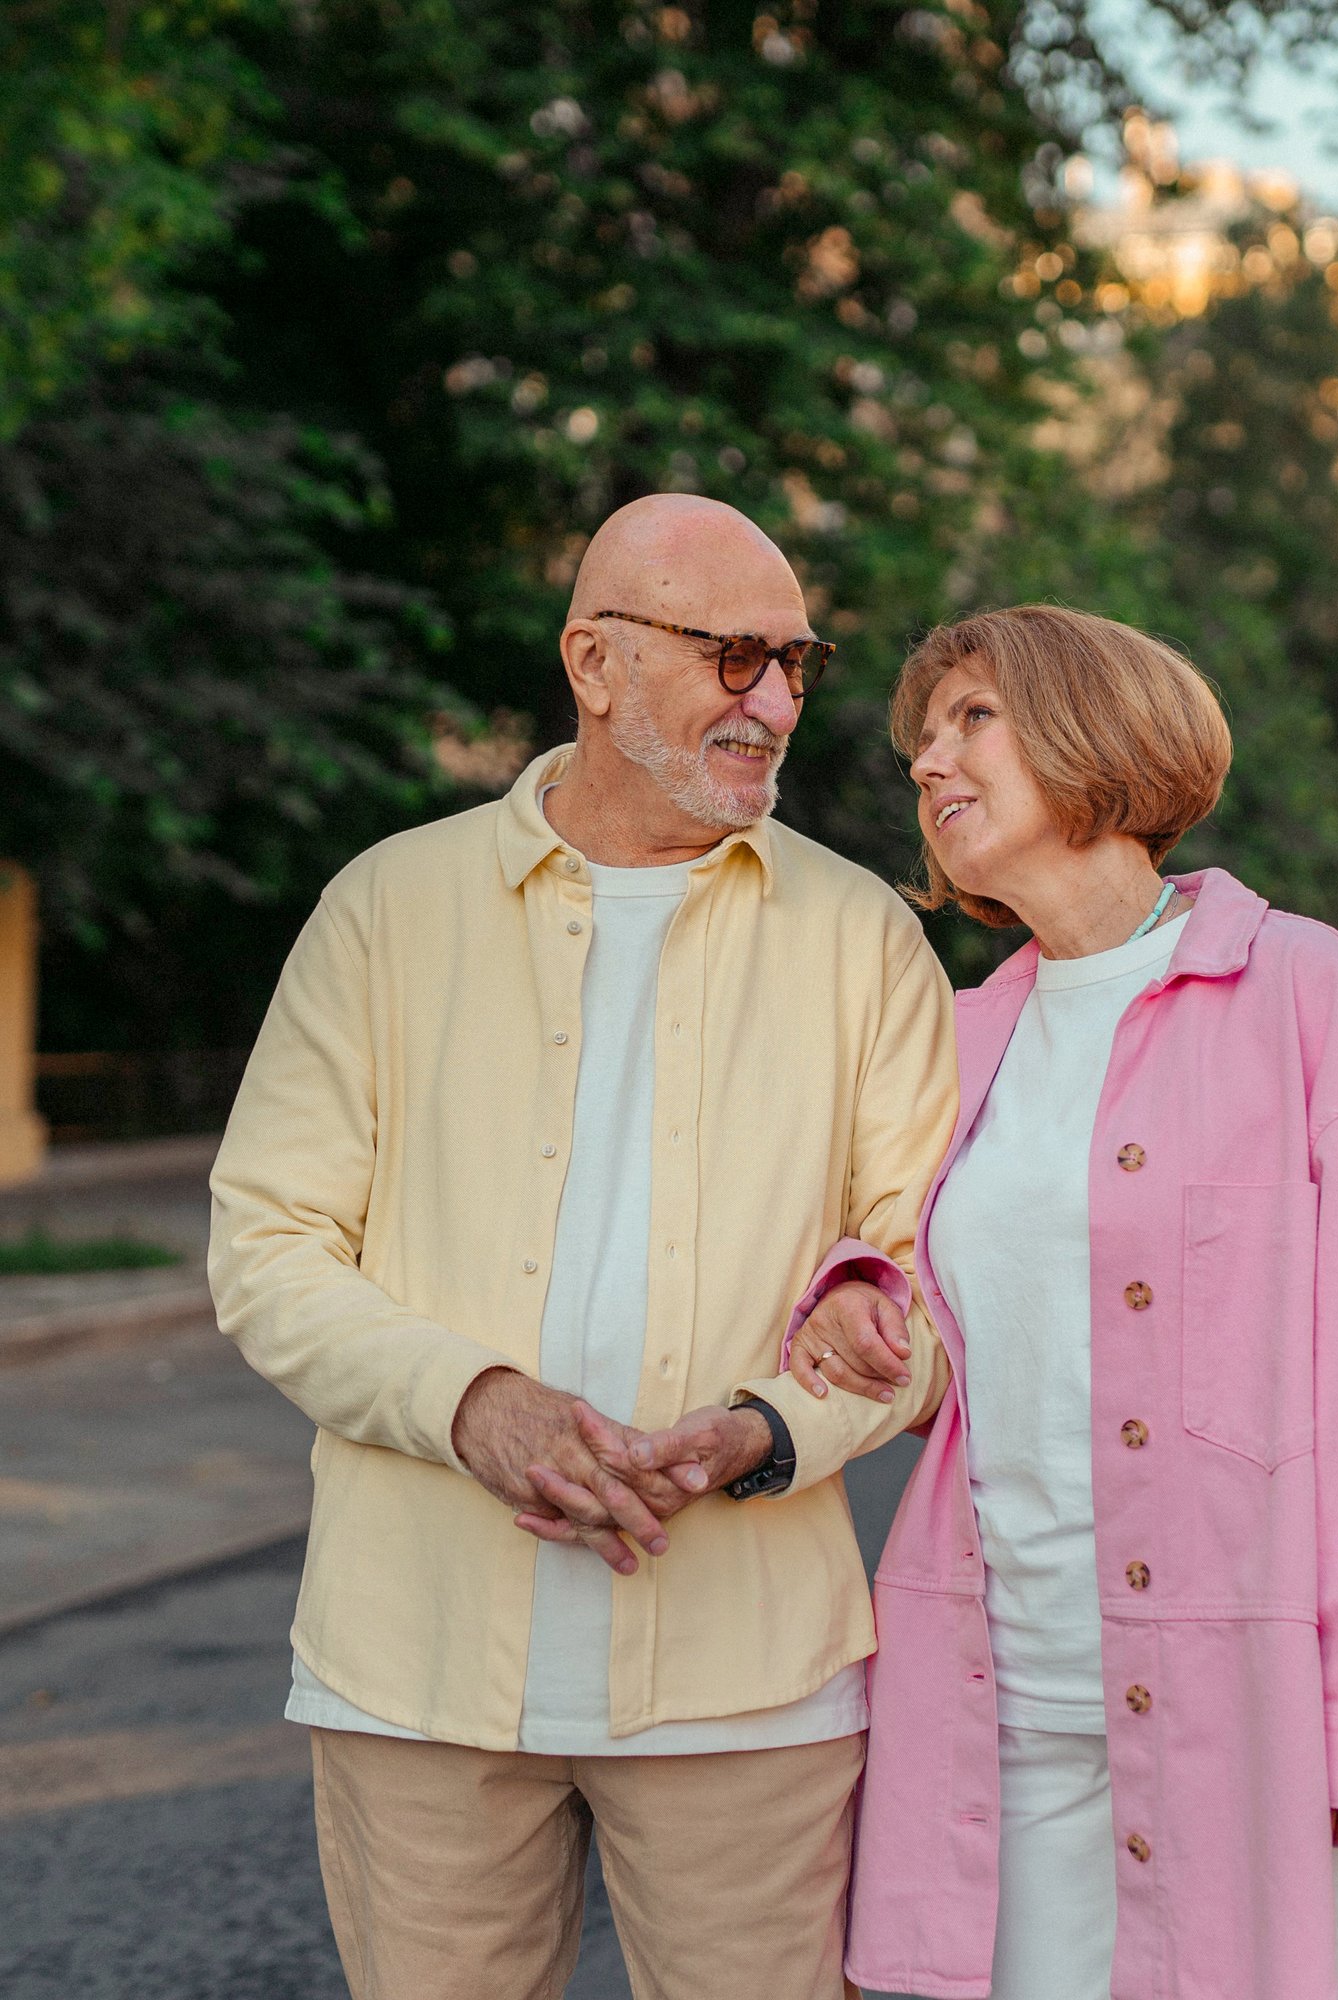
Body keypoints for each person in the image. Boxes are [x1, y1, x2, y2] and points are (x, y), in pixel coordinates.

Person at [207, 493, 958, 2000]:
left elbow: (931, 1291)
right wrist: (473, 1400)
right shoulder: (384, 910)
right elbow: (267, 1247)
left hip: (748, 1680)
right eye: (733, 654)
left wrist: (763, 1434)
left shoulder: (864, 936)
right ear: (595, 661)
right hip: (411, 1669)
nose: (774, 700)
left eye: (797, 664)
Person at [789, 603, 1338, 2000]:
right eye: (923, 733)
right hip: (998, 1707)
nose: (928, 759)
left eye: (973, 718)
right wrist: (855, 1298)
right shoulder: (956, 1040)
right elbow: (894, 1280)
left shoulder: (1309, 998)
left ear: (1097, 736)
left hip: (1247, 1719)